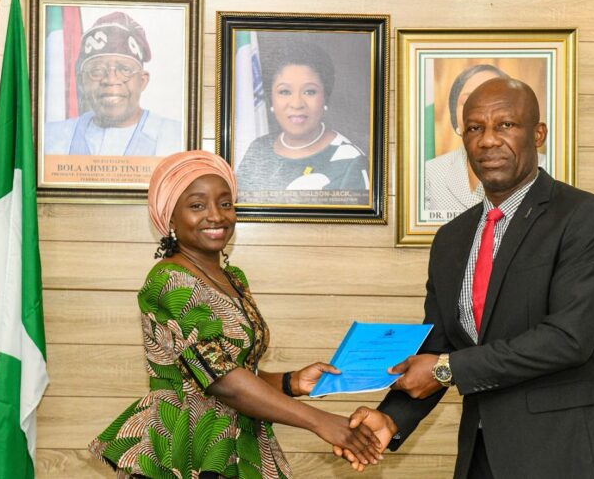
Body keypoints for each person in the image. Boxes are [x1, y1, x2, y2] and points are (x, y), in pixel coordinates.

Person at [341, 78, 594, 478]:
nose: (487, 140)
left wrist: (448, 369)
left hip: (569, 452)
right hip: (483, 455)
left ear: (538, 133)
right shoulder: (451, 239)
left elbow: (568, 339)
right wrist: (392, 419)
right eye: (475, 128)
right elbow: (439, 345)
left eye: (506, 125)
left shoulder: (585, 216)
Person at [88, 150, 382, 478]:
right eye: (197, 205)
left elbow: (233, 370)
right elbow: (221, 381)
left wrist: (291, 381)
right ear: (169, 217)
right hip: (187, 449)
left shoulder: (234, 278)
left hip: (237, 438)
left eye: (225, 203)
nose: (216, 216)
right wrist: (320, 421)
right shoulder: (169, 280)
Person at [235, 42, 369, 205]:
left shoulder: (350, 161)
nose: (297, 103)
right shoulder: (258, 150)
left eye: (309, 91)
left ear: (325, 96)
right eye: (284, 92)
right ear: (271, 98)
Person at [44, 11, 182, 157]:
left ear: (142, 81)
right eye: (97, 70)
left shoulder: (175, 137)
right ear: (81, 81)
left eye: (124, 70)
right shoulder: (51, 138)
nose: (110, 80)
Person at [424, 64, 507, 213]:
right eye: (468, 100)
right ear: (454, 115)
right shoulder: (429, 174)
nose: (482, 110)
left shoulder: (544, 166)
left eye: (495, 99)